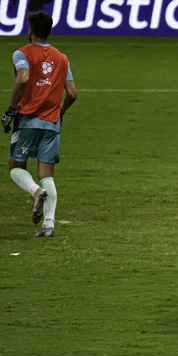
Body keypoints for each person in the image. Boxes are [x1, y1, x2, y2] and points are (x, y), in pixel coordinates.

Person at [2, 12, 76, 238]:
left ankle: (35, 192)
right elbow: (72, 93)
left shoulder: (22, 53)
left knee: (16, 166)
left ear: (30, 30)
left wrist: (11, 110)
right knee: (47, 173)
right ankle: (49, 225)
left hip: (28, 120)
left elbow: (23, 78)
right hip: (52, 122)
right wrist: (58, 112)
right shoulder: (62, 58)